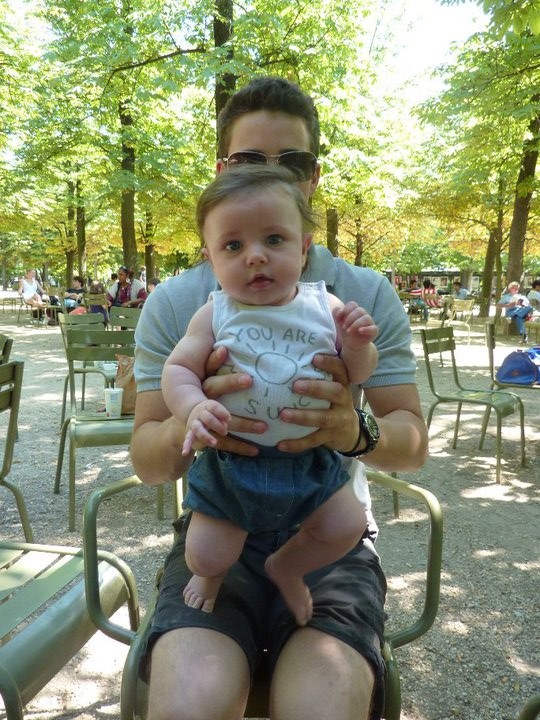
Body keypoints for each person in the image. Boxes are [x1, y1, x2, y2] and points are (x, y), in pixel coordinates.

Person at [132, 76, 428, 720]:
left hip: (322, 517)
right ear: (221, 170)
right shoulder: (186, 302)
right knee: (189, 703)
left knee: (320, 703)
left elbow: (411, 441)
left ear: (313, 178)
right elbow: (147, 460)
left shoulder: (356, 295)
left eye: (290, 160)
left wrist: (354, 430)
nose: (270, 172)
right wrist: (193, 416)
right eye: (248, 159)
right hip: (225, 508)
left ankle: (290, 573)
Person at [162, 165, 378, 626]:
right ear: (210, 260)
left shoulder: (326, 307)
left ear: (304, 248)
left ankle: (288, 567)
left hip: (311, 461)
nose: (255, 256)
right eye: (233, 246)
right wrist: (194, 407)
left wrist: (357, 345)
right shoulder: (214, 313)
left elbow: (358, 374)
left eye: (274, 239)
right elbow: (178, 369)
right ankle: (211, 577)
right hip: (233, 466)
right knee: (205, 555)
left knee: (348, 525)